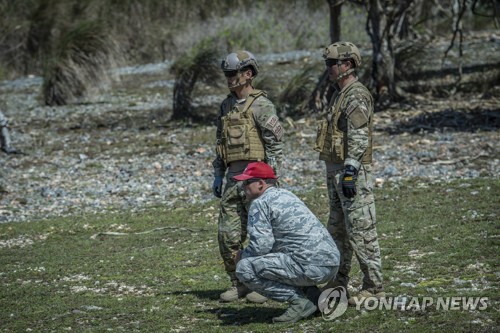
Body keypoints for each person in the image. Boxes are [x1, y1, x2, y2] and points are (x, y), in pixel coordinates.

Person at [314, 42, 384, 305]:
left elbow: (358, 136)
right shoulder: (338, 94)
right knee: (338, 231)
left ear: (348, 65)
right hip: (336, 172)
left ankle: (374, 288)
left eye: (333, 63)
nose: (329, 68)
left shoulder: (355, 95)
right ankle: (338, 281)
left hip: (351, 173)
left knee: (361, 230)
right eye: (328, 63)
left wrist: (350, 171)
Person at [212, 50, 284, 303]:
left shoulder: (262, 105)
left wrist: (274, 182)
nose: (229, 78)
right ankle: (238, 282)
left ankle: (262, 284)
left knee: (261, 237)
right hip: (233, 181)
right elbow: (220, 144)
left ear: (248, 74)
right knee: (227, 236)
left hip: (257, 182)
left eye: (233, 74)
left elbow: (275, 145)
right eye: (227, 74)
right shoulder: (226, 105)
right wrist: (218, 175)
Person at [232, 161, 339, 323]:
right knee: (281, 256)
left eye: (247, 182)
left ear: (260, 184)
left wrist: (242, 255)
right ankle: (313, 296)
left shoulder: (260, 203)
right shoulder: (287, 195)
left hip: (309, 266)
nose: (242, 187)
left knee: (245, 268)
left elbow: (261, 246)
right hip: (331, 263)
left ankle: (298, 302)